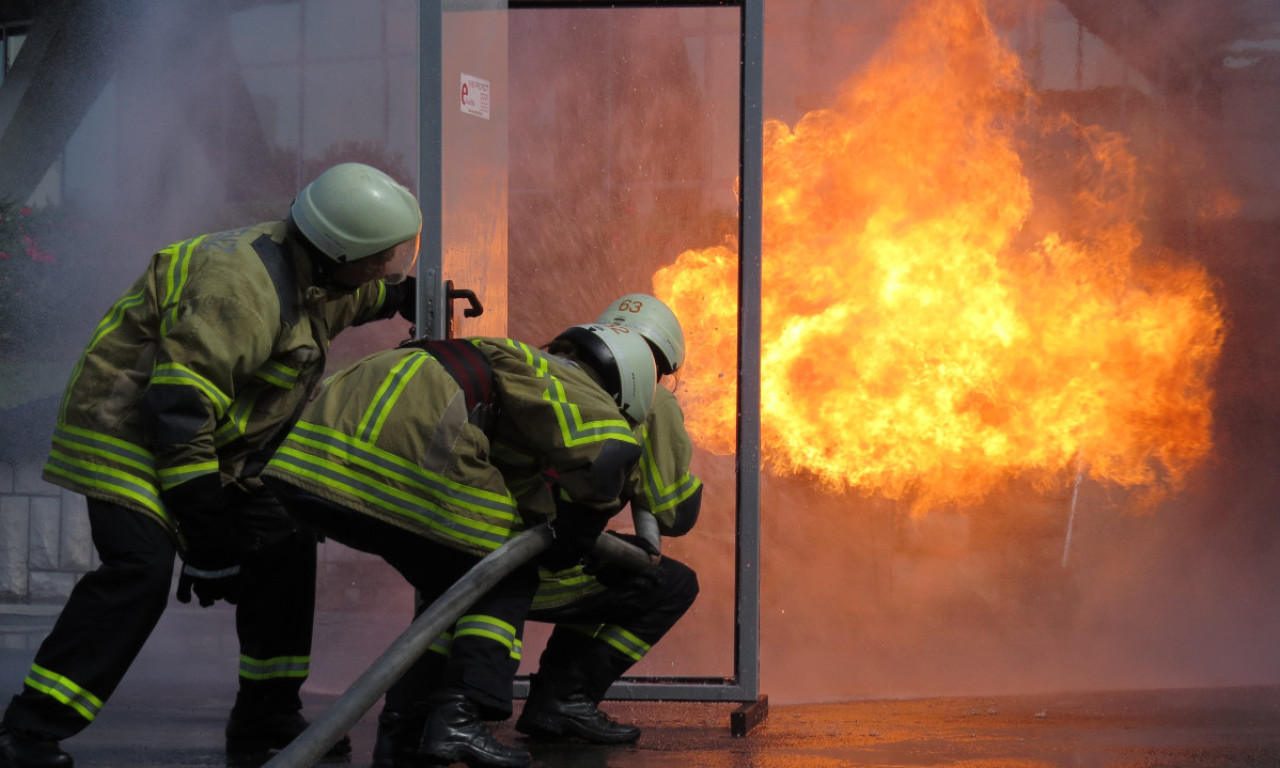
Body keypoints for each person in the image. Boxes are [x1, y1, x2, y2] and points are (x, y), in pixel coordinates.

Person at [0, 162, 423, 768]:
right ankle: (28, 731)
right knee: (139, 572)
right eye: (380, 258)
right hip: (129, 436)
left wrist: (409, 297)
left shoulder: (308, 270)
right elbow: (177, 412)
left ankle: (267, 711)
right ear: (339, 249)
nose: (387, 267)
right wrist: (208, 537)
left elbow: (344, 303)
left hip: (209, 444)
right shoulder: (240, 289)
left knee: (284, 539)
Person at [262, 325, 658, 768]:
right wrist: (581, 532)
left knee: (451, 587)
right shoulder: (572, 381)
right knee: (504, 577)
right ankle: (461, 715)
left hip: (312, 462)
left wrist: (568, 546)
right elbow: (610, 452)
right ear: (623, 389)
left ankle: (405, 731)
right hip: (402, 449)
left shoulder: (507, 372)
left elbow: (525, 499)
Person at [515, 293, 703, 744]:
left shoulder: (545, 370)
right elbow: (672, 512)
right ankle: (569, 698)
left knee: (609, 567)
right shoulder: (652, 401)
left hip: (482, 545)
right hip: (539, 561)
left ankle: (548, 703)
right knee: (672, 586)